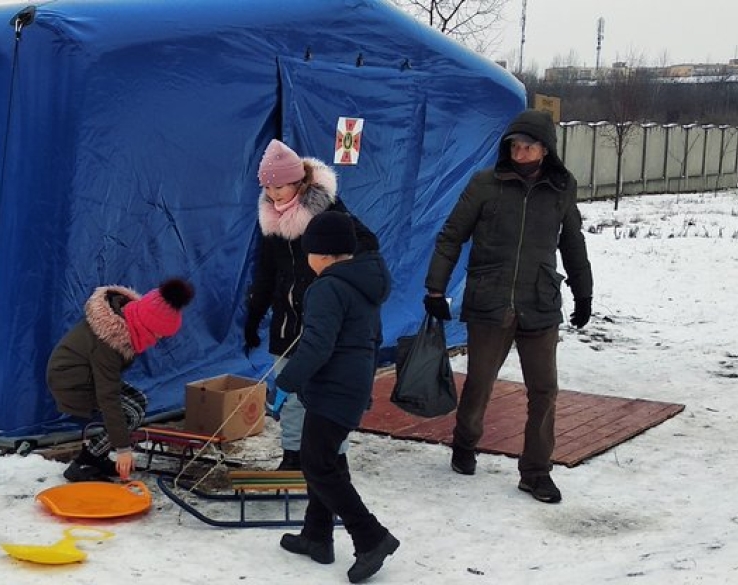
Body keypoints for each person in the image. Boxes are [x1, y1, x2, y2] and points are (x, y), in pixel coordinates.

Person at [423, 109, 594, 504]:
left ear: (545, 149)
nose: (519, 152)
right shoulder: (485, 184)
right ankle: (465, 444)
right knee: (480, 384)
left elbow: (572, 242)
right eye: (514, 146)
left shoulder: (561, 188)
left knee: (545, 391)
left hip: (540, 301)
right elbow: (452, 236)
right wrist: (435, 289)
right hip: (490, 300)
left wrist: (583, 292)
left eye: (528, 146)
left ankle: (535, 472)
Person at [275, 211, 398, 583]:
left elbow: (316, 345)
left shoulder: (327, 287)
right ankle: (317, 536)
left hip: (333, 389)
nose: (307, 259)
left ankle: (371, 536)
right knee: (325, 460)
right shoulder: (362, 283)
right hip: (350, 385)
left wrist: (288, 380)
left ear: (324, 255)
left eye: (309, 251)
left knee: (318, 465)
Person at [244, 138, 381, 470]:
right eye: (268, 187)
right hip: (287, 323)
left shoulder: (329, 210)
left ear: (299, 181)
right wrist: (254, 317)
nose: (274, 194)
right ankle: (293, 455)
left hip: (324, 320)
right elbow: (265, 272)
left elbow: (366, 244)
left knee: (324, 396)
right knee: (290, 397)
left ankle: (334, 457)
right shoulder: (270, 221)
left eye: (281, 186)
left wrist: (332, 276)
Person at [47, 278, 194, 482]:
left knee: (138, 401)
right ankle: (84, 462)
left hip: (86, 376)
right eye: (158, 334)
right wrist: (123, 448)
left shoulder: (126, 323)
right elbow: (108, 397)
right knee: (129, 413)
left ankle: (97, 456)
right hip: (72, 384)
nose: (158, 340)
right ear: (145, 325)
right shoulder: (109, 342)